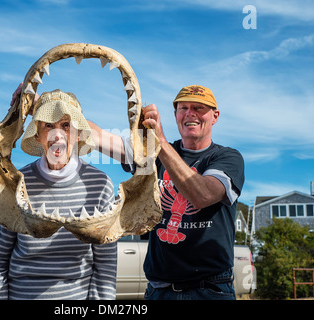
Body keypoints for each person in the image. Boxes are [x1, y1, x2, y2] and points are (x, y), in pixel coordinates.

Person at [89, 85, 244, 300]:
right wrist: (46, 106)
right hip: (159, 290)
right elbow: (97, 137)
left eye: (199, 108)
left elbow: (203, 195)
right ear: (176, 115)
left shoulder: (227, 158)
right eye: (184, 108)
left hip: (209, 289)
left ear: (215, 116)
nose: (190, 113)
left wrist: (159, 141)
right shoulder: (151, 154)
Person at [0, 89, 117, 300]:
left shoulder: (100, 185)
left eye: (66, 125)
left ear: (78, 133)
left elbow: (105, 265)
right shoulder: (16, 183)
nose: (58, 134)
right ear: (37, 134)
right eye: (48, 125)